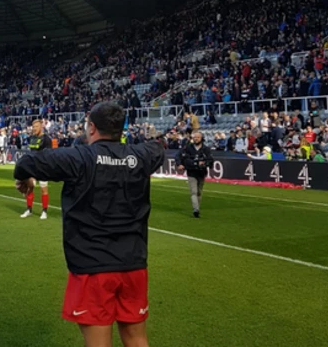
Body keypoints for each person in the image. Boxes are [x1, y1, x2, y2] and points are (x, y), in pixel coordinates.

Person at [14, 102, 164, 347]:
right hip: (134, 264)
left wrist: (23, 180)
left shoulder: (80, 157)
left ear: (92, 127)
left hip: (92, 267)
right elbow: (157, 149)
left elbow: (26, 162)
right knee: (137, 340)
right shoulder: (140, 156)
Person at [175, 132, 214, 218]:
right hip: (191, 172)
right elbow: (179, 156)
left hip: (201, 172)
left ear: (201, 138)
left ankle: (197, 208)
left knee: (199, 192)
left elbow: (210, 159)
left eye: (198, 137)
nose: (196, 139)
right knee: (194, 191)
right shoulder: (188, 148)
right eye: (195, 137)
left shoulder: (206, 149)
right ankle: (195, 209)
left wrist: (205, 163)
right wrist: (179, 164)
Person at [20, 120, 52, 219]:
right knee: (30, 188)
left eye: (36, 126)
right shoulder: (32, 138)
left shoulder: (46, 139)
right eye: (33, 127)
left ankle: (44, 211)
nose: (34, 128)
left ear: (41, 127)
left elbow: (50, 154)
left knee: (44, 189)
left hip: (42, 167)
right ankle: (29, 209)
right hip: (32, 167)